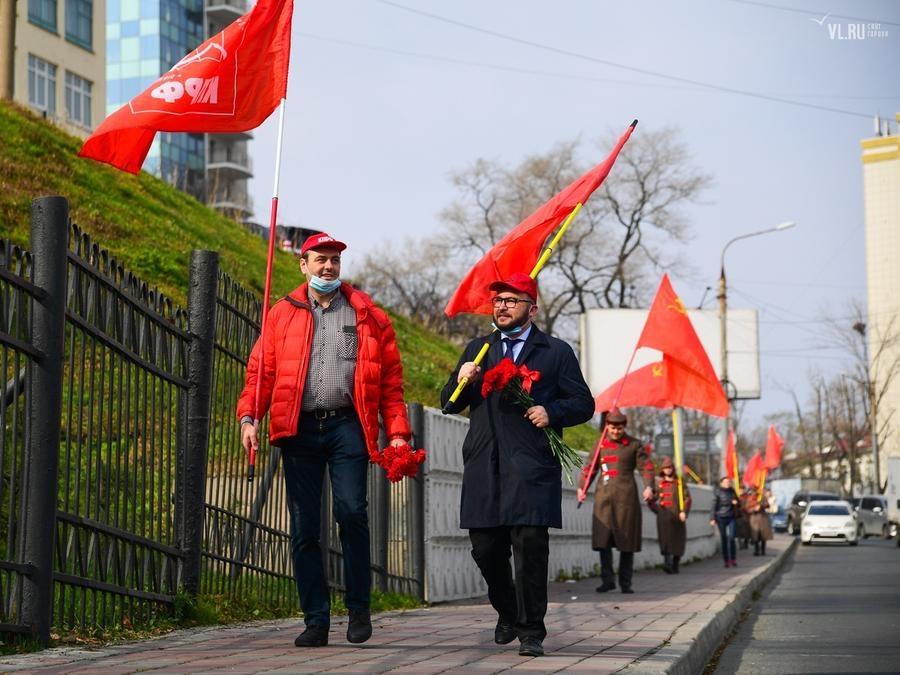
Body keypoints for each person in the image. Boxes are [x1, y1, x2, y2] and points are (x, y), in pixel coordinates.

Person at [236, 232, 411, 648]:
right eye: (321, 259)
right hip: (298, 428)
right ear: (304, 265)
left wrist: (398, 433)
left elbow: (389, 381)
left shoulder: (367, 314)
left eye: (334, 260)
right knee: (304, 527)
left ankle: (359, 607)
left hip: (348, 425)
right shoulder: (282, 313)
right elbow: (261, 372)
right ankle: (316, 619)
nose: (328, 266)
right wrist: (249, 418)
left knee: (352, 512)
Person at [440, 272, 594, 658]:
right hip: (484, 464)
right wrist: (461, 379)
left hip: (530, 465)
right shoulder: (479, 348)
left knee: (530, 551)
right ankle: (508, 611)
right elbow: (448, 404)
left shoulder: (555, 351)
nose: (502, 307)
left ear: (532, 309)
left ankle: (531, 632)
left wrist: (551, 410)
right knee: (485, 549)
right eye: (498, 301)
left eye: (511, 300)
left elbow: (583, 403)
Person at [584, 408, 655, 594]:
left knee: (626, 540)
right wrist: (581, 488)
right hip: (603, 497)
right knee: (603, 540)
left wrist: (649, 486)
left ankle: (626, 582)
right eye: (613, 428)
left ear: (624, 427)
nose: (616, 431)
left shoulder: (635, 444)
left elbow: (646, 467)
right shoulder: (600, 444)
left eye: (620, 428)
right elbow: (590, 468)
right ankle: (607, 580)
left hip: (626, 499)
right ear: (607, 426)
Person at [648, 456, 691, 574]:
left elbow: (687, 498)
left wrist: (684, 512)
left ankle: (675, 564)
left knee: (678, 540)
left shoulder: (680, 483)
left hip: (678, 515)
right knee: (665, 540)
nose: (667, 470)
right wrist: (657, 510)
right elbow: (651, 499)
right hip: (664, 517)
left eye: (669, 467)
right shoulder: (659, 483)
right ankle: (667, 563)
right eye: (665, 468)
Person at [710, 476, 740, 568]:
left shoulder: (732, 491)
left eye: (729, 482)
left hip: (731, 517)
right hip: (721, 517)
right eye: (725, 482)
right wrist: (712, 518)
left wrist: (736, 502)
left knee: (732, 538)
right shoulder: (717, 492)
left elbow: (739, 503)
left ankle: (733, 559)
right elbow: (714, 505)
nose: (727, 483)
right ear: (721, 483)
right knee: (724, 539)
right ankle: (726, 560)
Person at [746, 488, 774, 556]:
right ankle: (756, 550)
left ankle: (763, 550)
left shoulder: (761, 497)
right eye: (753, 491)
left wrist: (761, 506)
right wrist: (754, 509)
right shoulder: (749, 498)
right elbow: (747, 509)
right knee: (755, 535)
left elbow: (767, 505)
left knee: (763, 535)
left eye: (755, 490)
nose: (754, 492)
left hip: (763, 518)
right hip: (754, 518)